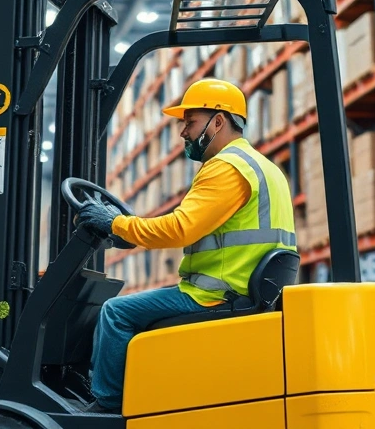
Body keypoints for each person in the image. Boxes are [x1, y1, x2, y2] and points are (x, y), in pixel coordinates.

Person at [76, 78, 297, 413]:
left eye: (190, 123)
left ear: (219, 121)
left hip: (215, 294)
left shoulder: (225, 167)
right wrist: (128, 229)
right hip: (245, 289)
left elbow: (180, 229)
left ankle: (108, 407)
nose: (183, 132)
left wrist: (115, 223)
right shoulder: (265, 168)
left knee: (115, 313)